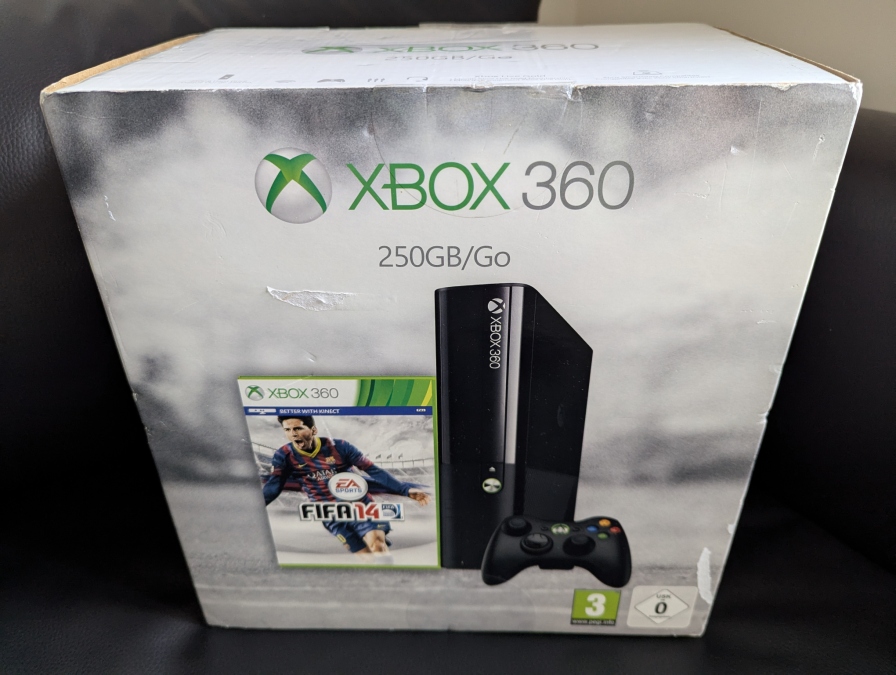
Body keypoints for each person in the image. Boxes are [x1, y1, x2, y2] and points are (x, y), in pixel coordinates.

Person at [263, 415, 430, 563]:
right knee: (366, 558)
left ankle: (392, 581)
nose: (293, 434)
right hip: (329, 513)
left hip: (359, 506)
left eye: (298, 428)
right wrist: (257, 506)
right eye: (288, 430)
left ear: (313, 430)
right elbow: (274, 485)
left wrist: (405, 490)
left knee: (377, 545)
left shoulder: (339, 447)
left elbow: (373, 470)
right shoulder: (284, 455)